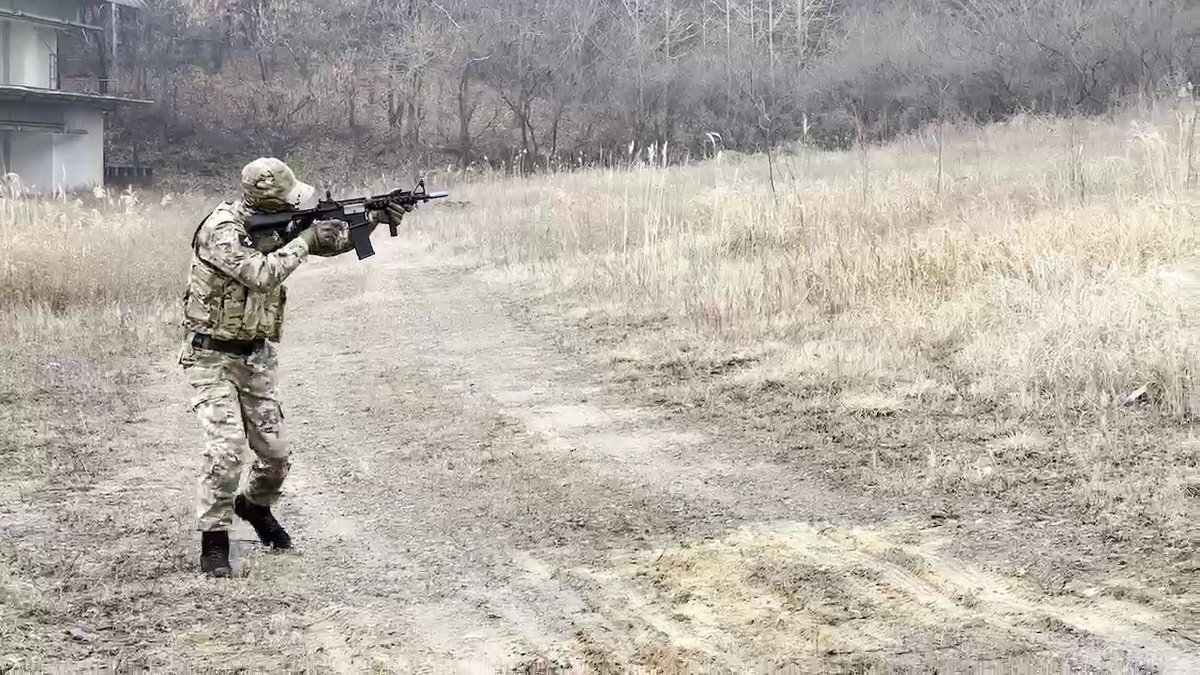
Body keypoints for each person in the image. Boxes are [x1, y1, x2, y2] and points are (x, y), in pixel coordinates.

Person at [178, 157, 411, 578]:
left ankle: (255, 506)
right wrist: (305, 238)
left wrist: (371, 218)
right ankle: (214, 542)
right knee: (227, 449)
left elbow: (325, 242)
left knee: (276, 455)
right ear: (266, 203)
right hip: (210, 356)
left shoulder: (275, 224)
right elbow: (262, 273)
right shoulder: (222, 230)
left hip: (254, 355)